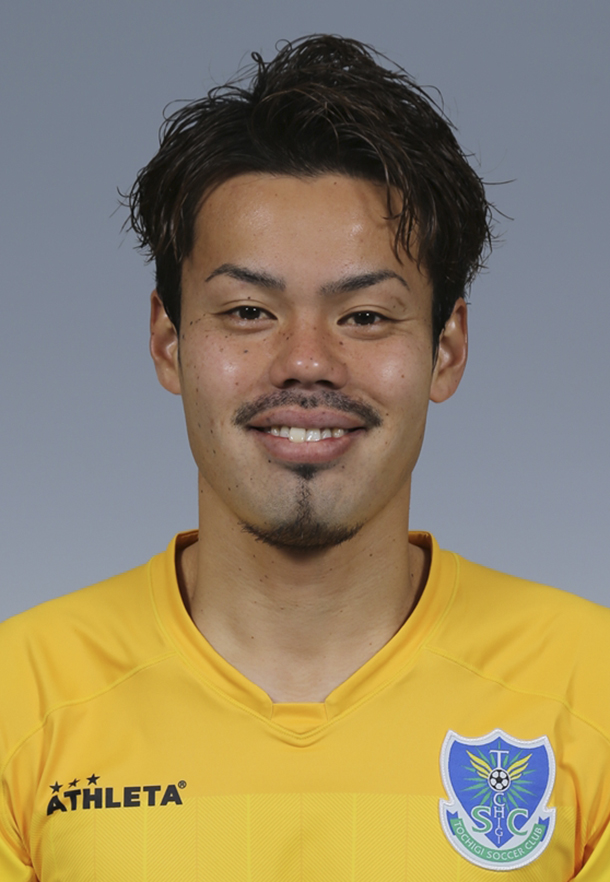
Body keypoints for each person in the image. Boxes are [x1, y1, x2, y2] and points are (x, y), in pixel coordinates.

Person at [1, 35, 608, 881]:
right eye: (249, 312)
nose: (307, 361)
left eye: (366, 317)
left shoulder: (590, 688)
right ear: (169, 341)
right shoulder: (20, 697)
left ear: (447, 348)